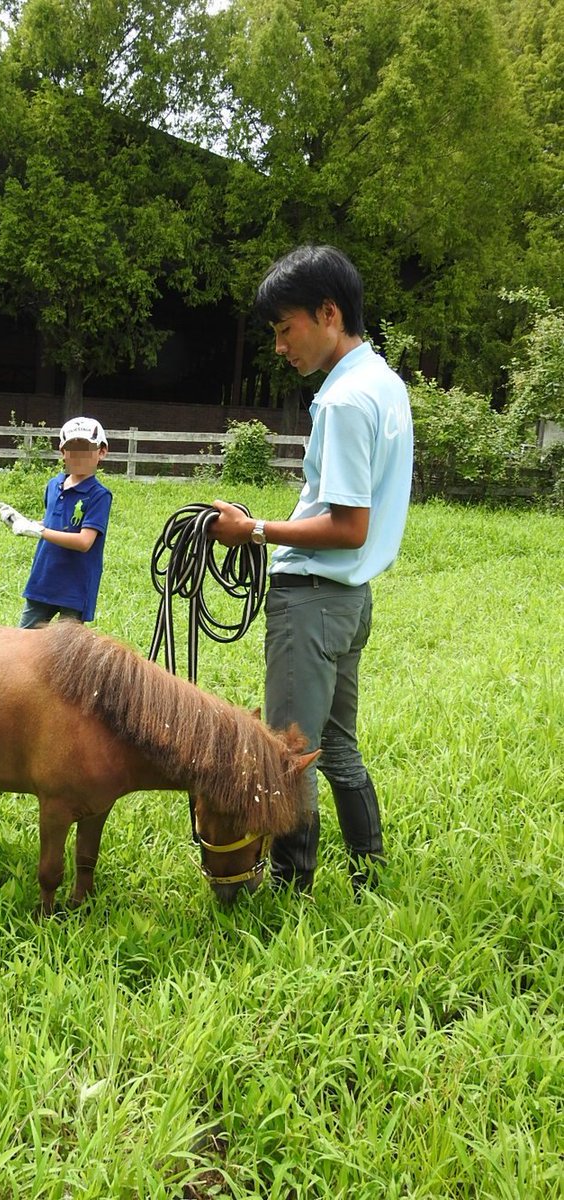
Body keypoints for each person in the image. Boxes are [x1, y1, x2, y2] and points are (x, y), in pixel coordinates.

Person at [210, 245, 413, 896]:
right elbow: (351, 521)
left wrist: (254, 530)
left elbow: (347, 524)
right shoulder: (382, 382)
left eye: (283, 329)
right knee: (339, 747)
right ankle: (368, 877)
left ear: (328, 314)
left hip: (313, 601)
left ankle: (288, 888)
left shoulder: (343, 401)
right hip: (350, 600)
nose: (278, 346)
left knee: (288, 754)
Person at [0, 417, 113, 628]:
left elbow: (84, 541)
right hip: (44, 579)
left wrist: (39, 531)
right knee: (24, 641)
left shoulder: (99, 495)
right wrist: (24, 521)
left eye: (86, 449)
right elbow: (53, 522)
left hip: (75, 587)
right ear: (62, 452)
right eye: (72, 449)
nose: (78, 456)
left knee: (65, 653)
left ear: (101, 452)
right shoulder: (54, 485)